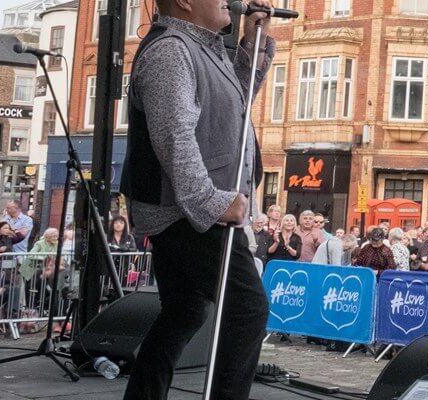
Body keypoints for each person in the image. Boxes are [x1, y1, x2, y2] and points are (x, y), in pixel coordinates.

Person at [117, 0, 277, 397]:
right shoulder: (172, 50)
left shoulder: (202, 47)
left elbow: (235, 101)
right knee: (247, 310)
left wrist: (252, 46)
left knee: (185, 310)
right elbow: (175, 135)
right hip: (189, 212)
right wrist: (208, 201)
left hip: (190, 210)